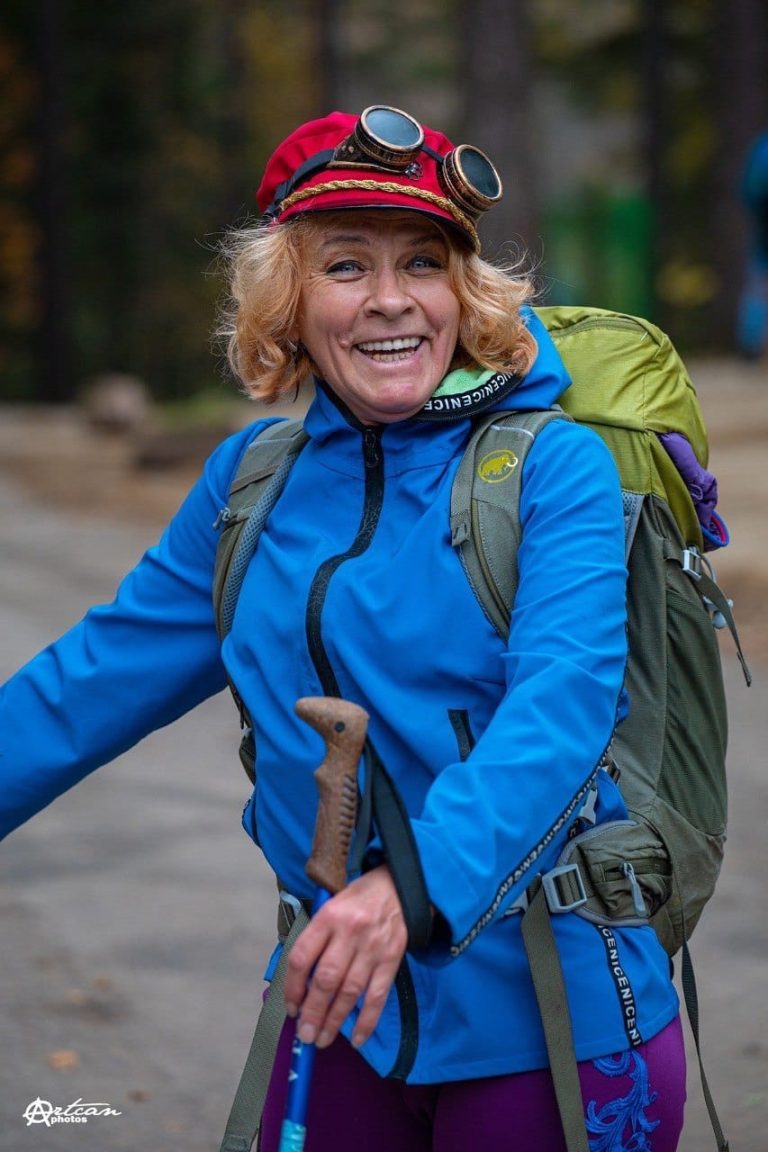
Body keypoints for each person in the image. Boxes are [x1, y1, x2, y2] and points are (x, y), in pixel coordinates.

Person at [0, 106, 686, 1150]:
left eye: (424, 263)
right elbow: (90, 682)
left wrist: (413, 888)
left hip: (553, 1019)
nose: (391, 299)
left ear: (463, 291)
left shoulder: (552, 468)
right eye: (347, 265)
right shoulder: (251, 483)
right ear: (286, 297)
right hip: (342, 1009)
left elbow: (563, 707)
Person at [736, 129, 768, 359]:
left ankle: (753, 345)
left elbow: (748, 190)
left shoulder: (762, 146)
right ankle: (755, 345)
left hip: (762, 221)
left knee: (760, 284)